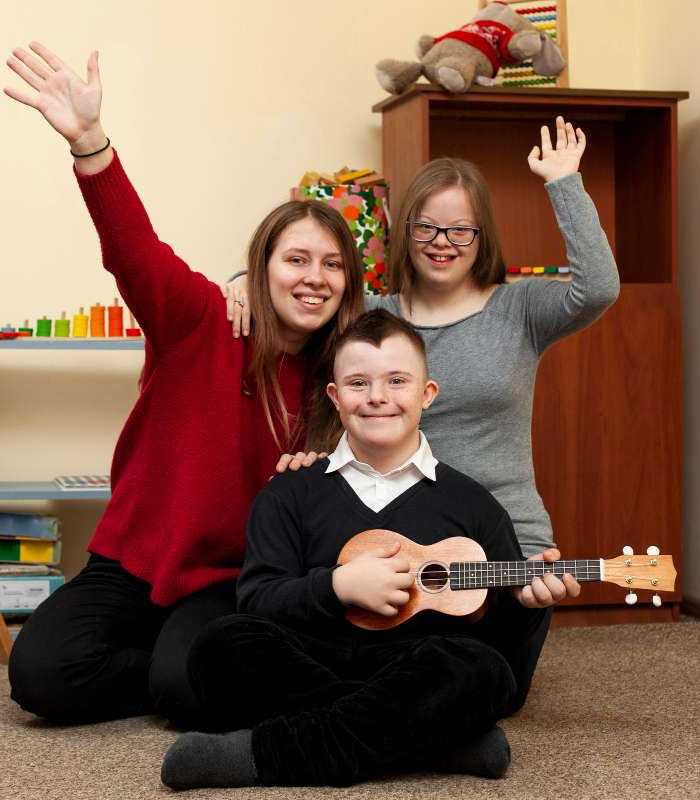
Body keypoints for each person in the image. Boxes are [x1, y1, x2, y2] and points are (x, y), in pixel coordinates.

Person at [4, 42, 365, 725]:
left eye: (332, 265)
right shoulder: (200, 317)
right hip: (134, 558)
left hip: (230, 578)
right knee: (41, 676)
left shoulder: (345, 378)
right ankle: (185, 657)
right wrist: (91, 144)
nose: (314, 277)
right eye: (295, 259)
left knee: (184, 694)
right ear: (262, 265)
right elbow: (133, 250)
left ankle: (191, 660)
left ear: (348, 283)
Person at [223, 116, 620, 708]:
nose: (443, 242)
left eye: (462, 230)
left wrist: (564, 182)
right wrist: (240, 283)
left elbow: (599, 289)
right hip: (390, 540)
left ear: (484, 236)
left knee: (487, 685)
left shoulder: (522, 309)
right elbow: (303, 292)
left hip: (502, 547)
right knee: (400, 677)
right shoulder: (369, 312)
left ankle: (359, 720)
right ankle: (404, 726)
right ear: (404, 232)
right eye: (428, 226)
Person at [160, 309, 576, 790]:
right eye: (359, 383)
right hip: (313, 658)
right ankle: (433, 742)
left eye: (397, 381)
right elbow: (258, 600)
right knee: (219, 645)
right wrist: (337, 587)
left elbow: (504, 653)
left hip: (415, 666)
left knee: (482, 671)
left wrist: (528, 608)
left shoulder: (475, 506)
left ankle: (261, 756)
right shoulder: (288, 493)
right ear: (335, 397)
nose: (378, 397)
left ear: (427, 395)